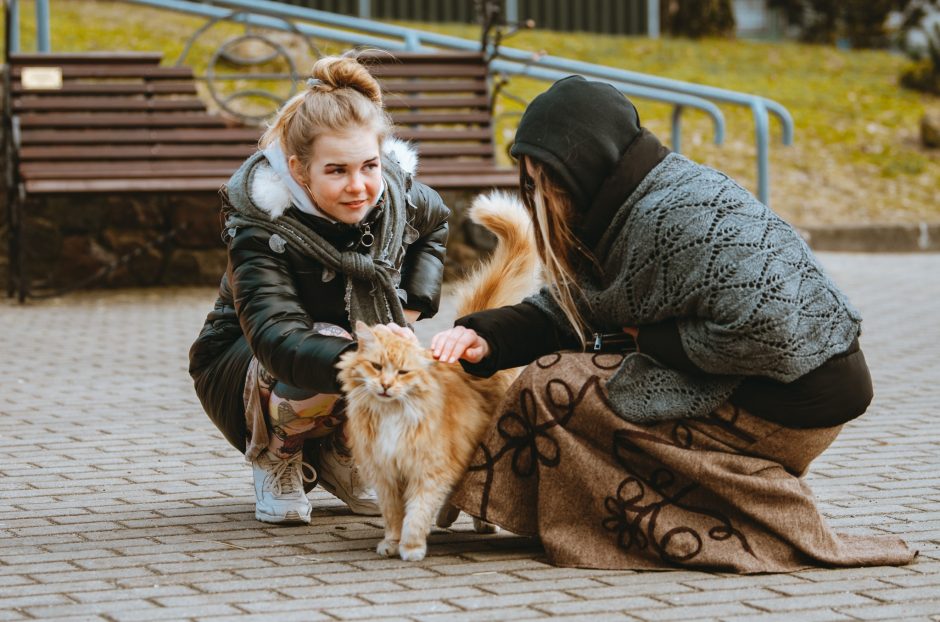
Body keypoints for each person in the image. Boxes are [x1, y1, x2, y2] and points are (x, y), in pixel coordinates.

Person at [430, 75, 915, 572]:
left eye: (547, 181)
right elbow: (573, 309)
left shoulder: (669, 218)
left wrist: (653, 340)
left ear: (587, 166)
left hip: (796, 400)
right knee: (574, 371)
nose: (539, 196)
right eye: (530, 180)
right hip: (790, 384)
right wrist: (484, 335)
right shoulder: (641, 198)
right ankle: (609, 511)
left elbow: (770, 333)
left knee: (556, 381)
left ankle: (686, 521)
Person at [189, 55, 449, 525]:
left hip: (338, 352)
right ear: (299, 169)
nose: (359, 186)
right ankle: (277, 455)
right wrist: (372, 357)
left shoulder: (396, 193)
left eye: (369, 165)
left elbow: (436, 223)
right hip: (247, 368)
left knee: (383, 347)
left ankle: (342, 458)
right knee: (341, 339)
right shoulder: (260, 226)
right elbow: (276, 338)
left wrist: (409, 311)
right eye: (337, 171)